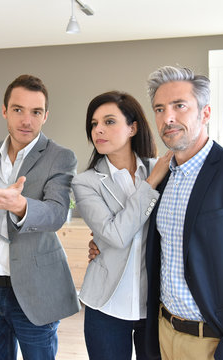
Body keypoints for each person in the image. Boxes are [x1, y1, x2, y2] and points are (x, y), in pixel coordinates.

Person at [90, 66, 223, 360]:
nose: (167, 118)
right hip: (164, 336)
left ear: (205, 113)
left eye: (179, 106)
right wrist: (101, 245)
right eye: (159, 108)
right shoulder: (162, 179)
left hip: (219, 342)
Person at [0, 74, 80, 360]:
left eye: (36, 112)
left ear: (46, 116)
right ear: (4, 110)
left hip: (35, 290)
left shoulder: (61, 156)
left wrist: (20, 205)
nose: (26, 120)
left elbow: (57, 213)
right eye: (18, 109)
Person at [72, 91, 171, 360]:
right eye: (94, 124)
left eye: (109, 121)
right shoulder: (85, 183)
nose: (98, 130)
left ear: (132, 128)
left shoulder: (163, 169)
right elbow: (115, 236)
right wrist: (149, 184)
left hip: (156, 305)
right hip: (106, 306)